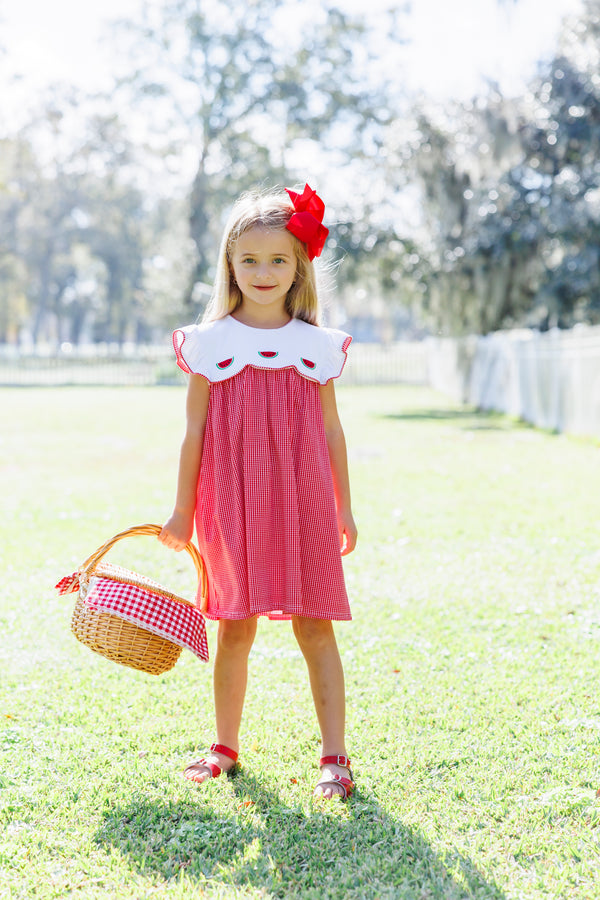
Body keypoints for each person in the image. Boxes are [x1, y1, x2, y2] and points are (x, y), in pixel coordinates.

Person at [159, 183, 357, 800]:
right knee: (235, 627)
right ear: (230, 265)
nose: (264, 272)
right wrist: (182, 511)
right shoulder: (209, 342)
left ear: (299, 267)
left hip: (304, 505)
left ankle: (334, 756)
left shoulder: (315, 347)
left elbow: (330, 429)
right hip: (231, 505)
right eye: (250, 260)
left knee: (315, 626)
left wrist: (344, 507)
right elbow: (194, 430)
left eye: (278, 260)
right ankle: (224, 746)